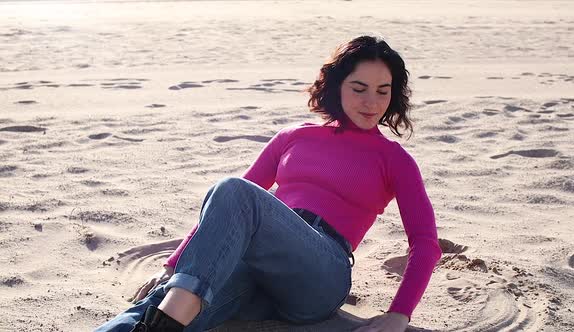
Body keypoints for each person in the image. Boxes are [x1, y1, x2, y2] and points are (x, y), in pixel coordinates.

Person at [95, 35, 441, 332]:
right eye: (359, 88)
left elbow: (425, 243)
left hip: (318, 275)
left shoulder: (394, 159)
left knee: (233, 192)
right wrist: (174, 267)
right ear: (337, 86)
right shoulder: (292, 137)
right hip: (255, 269)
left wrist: (399, 313)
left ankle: (177, 301)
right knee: (158, 305)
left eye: (383, 91)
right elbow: (222, 213)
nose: (372, 103)